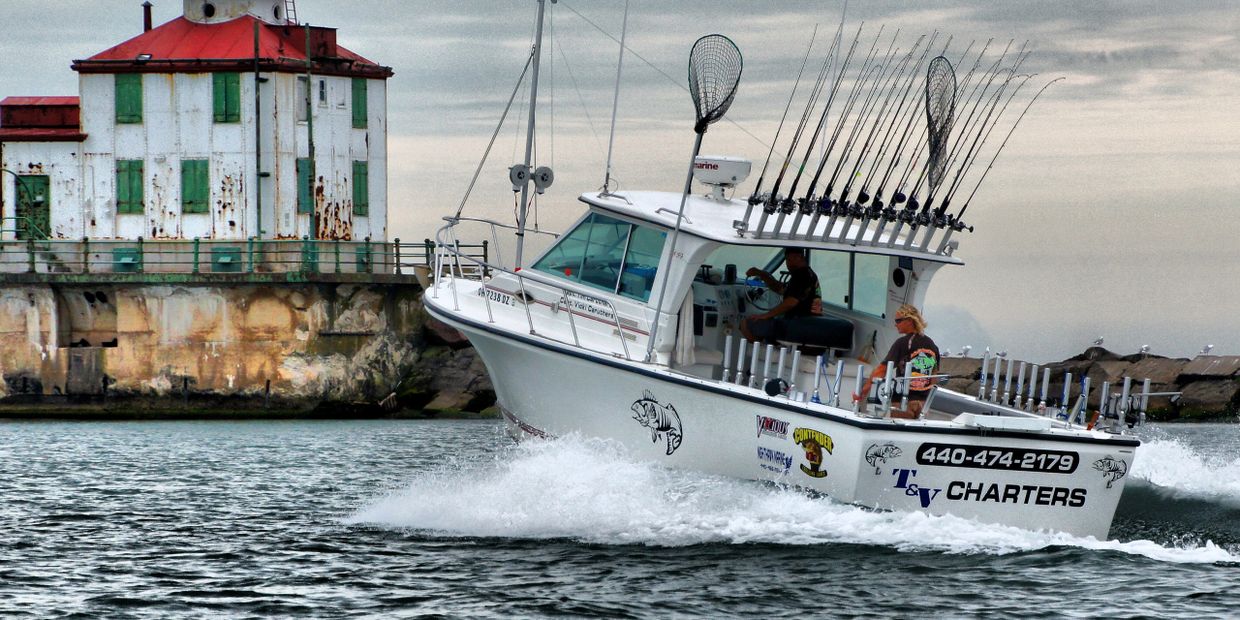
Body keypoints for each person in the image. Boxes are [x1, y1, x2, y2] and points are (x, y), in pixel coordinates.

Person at [854, 304, 939, 419]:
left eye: (898, 321)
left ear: (909, 321)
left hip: (903, 403)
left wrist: (862, 392)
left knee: (899, 435)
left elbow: (881, 370)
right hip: (923, 405)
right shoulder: (932, 345)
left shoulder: (902, 343)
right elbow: (934, 376)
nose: (895, 324)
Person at [740, 248, 821, 343]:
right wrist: (762, 274)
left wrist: (765, 315)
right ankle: (767, 345)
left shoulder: (802, 276)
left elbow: (791, 302)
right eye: (787, 260)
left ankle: (764, 349)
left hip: (797, 324)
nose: (788, 264)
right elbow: (780, 289)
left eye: (790, 259)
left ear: (800, 257)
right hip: (805, 323)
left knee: (746, 323)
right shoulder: (807, 274)